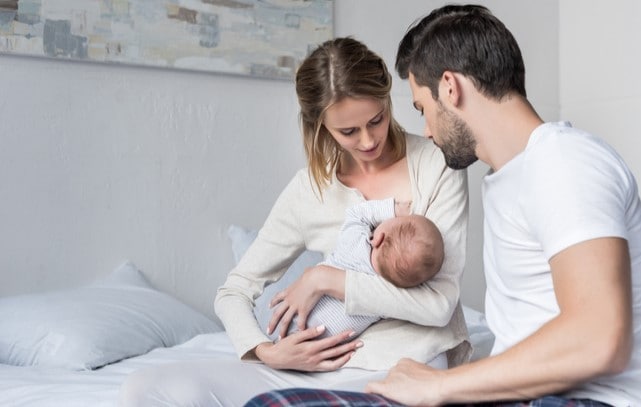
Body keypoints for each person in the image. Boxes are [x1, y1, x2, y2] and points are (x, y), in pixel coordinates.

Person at [244, 4, 641, 407]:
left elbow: (599, 338)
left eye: (422, 108)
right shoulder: (510, 179)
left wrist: (442, 385)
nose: (426, 132)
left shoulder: (563, 162)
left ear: (449, 88)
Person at [119, 36, 470, 406]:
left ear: (386, 100)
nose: (368, 141)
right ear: (320, 127)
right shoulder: (309, 190)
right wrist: (263, 351)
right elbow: (233, 291)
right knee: (143, 388)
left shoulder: (436, 165)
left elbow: (438, 306)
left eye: (376, 120)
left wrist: (326, 279)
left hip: (406, 365)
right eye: (348, 132)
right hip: (315, 367)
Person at [278, 197, 445, 341]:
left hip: (289, 312)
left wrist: (395, 209)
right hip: (314, 343)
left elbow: (357, 213)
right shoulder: (384, 299)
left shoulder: (354, 240)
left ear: (378, 238)